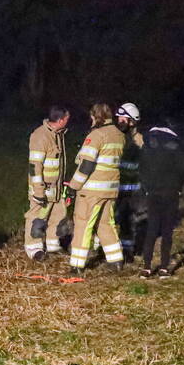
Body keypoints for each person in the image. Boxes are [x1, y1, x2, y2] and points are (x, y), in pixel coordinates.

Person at [66, 103, 126, 273]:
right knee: (106, 223)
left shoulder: (97, 135)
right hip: (111, 188)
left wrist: (73, 186)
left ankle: (77, 264)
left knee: (83, 224)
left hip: (92, 190)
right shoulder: (119, 135)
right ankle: (116, 260)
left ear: (95, 117)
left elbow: (86, 165)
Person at [138, 118, 184, 278]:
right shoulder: (176, 144)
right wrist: (179, 187)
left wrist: (146, 187)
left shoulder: (148, 143)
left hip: (153, 192)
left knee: (152, 228)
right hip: (171, 192)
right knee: (167, 230)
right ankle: (164, 267)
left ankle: (146, 267)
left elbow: (142, 167)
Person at [24, 105, 70, 261]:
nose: (68, 122)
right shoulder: (40, 136)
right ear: (60, 120)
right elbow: (34, 166)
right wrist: (38, 191)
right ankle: (34, 249)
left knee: (58, 216)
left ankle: (53, 245)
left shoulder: (58, 135)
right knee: (37, 218)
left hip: (56, 188)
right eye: (67, 119)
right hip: (42, 188)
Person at [115, 102, 144, 260]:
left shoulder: (139, 140)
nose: (119, 121)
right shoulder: (117, 136)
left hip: (130, 190)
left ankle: (127, 251)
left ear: (132, 121)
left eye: (123, 118)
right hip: (116, 186)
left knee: (127, 220)